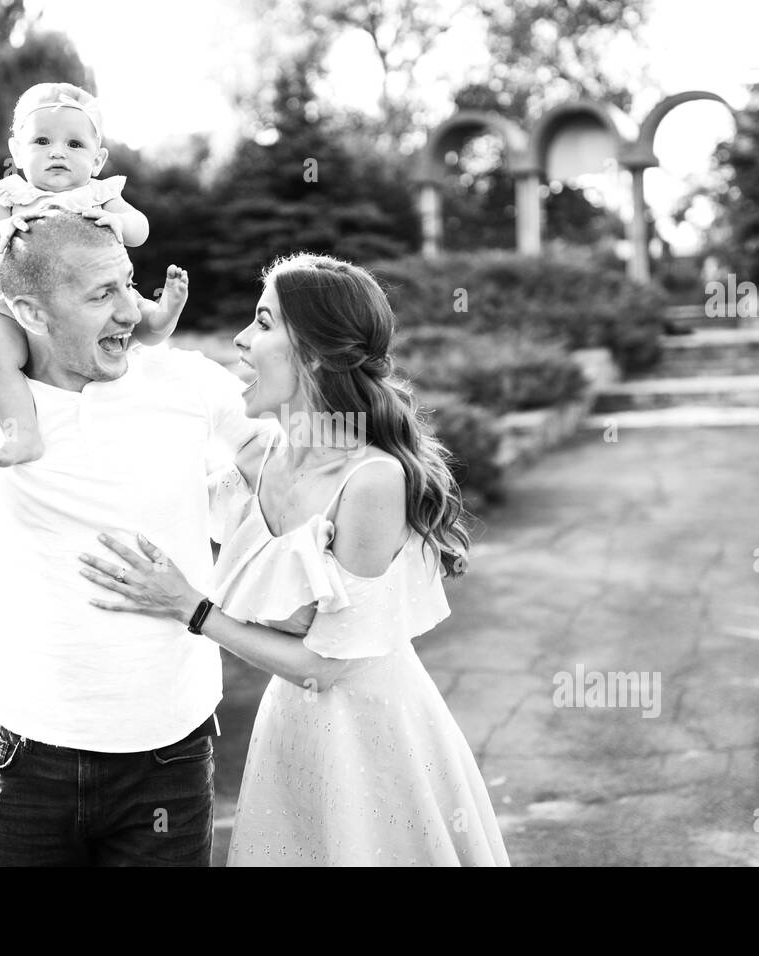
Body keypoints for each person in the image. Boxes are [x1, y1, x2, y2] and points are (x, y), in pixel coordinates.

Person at [0, 211, 270, 866]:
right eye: (101, 294)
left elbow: (281, 482)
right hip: (30, 757)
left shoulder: (185, 382)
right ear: (30, 311)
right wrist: (4, 239)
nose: (130, 310)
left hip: (169, 754)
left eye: (128, 283)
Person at [79, 253, 510, 866]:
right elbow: (160, 416)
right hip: (290, 728)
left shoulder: (371, 480)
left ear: (314, 353)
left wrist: (189, 609)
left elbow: (325, 667)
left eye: (262, 322)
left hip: (376, 739)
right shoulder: (256, 463)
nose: (241, 339)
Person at [0, 82, 188, 466]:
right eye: (42, 141)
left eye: (74, 145)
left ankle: (163, 316)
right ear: (17, 151)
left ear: (98, 160)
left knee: (135, 317)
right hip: (15, 304)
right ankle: (23, 434)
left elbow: (141, 228)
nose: (57, 152)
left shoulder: (98, 194)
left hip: (98, 293)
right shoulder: (8, 197)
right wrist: (4, 229)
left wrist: (116, 221)